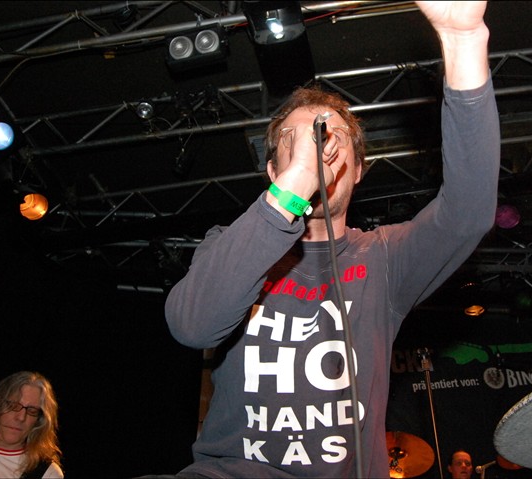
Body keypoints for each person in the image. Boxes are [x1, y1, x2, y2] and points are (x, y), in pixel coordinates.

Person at [164, 1, 499, 477]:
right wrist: (294, 189)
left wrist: (464, 41)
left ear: (358, 170)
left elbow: (468, 211)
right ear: (273, 172)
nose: (320, 153)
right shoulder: (230, 244)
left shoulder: (384, 257)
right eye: (299, 144)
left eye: (333, 139)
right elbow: (192, 326)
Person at [0, 371, 63, 478]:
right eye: (13, 406)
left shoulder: (47, 473)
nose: (21, 417)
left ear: (39, 420)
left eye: (32, 411)